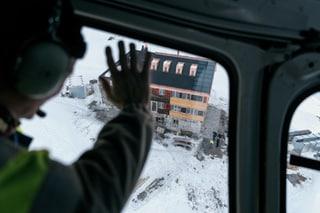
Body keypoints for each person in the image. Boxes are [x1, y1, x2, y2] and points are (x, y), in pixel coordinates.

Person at [0, 0, 152, 212]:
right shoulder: (8, 171)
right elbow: (94, 196)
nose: (57, 90)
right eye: (61, 74)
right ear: (40, 70)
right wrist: (136, 107)